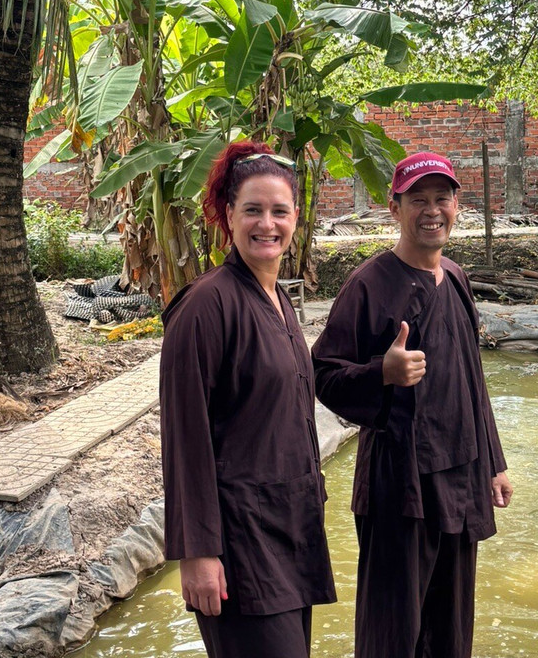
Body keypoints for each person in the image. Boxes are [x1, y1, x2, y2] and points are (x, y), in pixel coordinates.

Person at [312, 150, 512, 658]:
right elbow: (323, 375)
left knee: (450, 627)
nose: (431, 210)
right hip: (398, 484)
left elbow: (472, 379)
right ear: (393, 208)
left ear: (456, 205)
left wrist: (495, 463)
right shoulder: (370, 284)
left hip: (461, 476)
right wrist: (382, 373)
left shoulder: (457, 278)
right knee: (393, 631)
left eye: (441, 199)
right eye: (417, 200)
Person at [159, 140, 336, 658]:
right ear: (227, 216)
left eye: (279, 211)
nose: (267, 224)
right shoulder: (205, 306)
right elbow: (185, 437)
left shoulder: (278, 298)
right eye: (252, 210)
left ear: (296, 219)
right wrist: (198, 552)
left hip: (291, 526)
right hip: (238, 540)